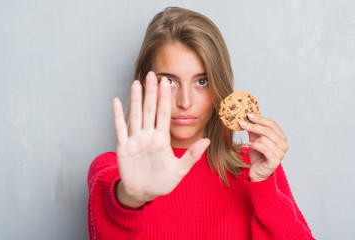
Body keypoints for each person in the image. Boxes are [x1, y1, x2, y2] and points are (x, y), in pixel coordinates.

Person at [87, 6, 315, 240]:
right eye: (169, 81)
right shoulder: (114, 170)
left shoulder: (254, 167)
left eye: (202, 81)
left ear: (220, 88)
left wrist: (263, 185)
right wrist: (132, 198)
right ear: (146, 84)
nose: (185, 102)